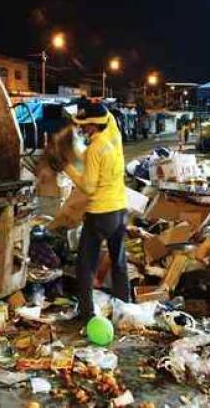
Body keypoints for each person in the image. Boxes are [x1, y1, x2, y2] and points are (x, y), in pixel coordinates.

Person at [62, 98, 131, 321]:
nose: (82, 127)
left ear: (93, 124)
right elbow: (106, 116)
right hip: (120, 210)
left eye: (85, 124)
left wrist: (67, 168)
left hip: (100, 213)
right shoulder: (114, 136)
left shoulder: (96, 148)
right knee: (119, 262)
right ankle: (125, 309)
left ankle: (87, 312)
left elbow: (89, 187)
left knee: (85, 265)